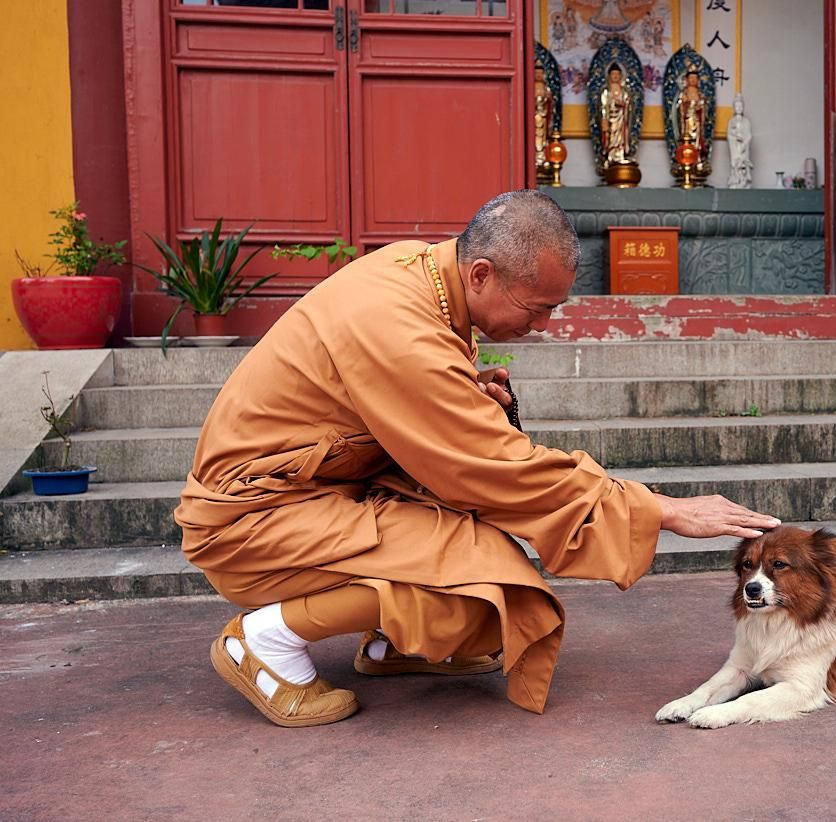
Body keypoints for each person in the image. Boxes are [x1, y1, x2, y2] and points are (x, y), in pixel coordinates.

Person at [177, 190, 780, 727]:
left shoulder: (426, 277)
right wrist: (658, 509)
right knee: (489, 583)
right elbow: (497, 469)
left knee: (486, 582)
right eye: (537, 307)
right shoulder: (398, 322)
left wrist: (461, 391)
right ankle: (266, 641)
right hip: (252, 519)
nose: (543, 325)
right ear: (483, 274)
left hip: (318, 494)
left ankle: (395, 644)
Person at [599, 64, 631, 166]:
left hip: (621, 118)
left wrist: (624, 105)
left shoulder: (624, 91)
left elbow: (628, 105)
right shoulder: (606, 92)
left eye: (617, 74)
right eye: (613, 74)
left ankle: (620, 154)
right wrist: (604, 119)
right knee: (610, 136)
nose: (615, 76)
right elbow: (603, 106)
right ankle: (610, 155)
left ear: (621, 76)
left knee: (620, 137)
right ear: (609, 76)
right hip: (610, 118)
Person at [674, 67, 708, 163]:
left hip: (697, 121)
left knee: (697, 140)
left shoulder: (700, 94)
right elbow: (679, 109)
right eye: (691, 78)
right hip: (687, 121)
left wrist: (700, 106)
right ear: (686, 80)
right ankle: (685, 158)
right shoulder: (684, 93)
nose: (693, 80)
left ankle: (697, 157)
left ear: (698, 80)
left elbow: (704, 107)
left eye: (695, 78)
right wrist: (684, 104)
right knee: (687, 140)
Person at [727, 93, 753, 189]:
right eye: (737, 106)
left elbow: (749, 135)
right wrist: (735, 137)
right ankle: (735, 180)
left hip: (743, 147)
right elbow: (729, 134)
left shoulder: (746, 121)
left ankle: (744, 180)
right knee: (735, 163)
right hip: (735, 146)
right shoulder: (731, 121)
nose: (739, 108)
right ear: (734, 108)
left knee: (743, 163)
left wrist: (744, 144)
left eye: (741, 106)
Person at [533, 64, 555, 170]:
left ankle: (543, 158)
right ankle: (534, 158)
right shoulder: (529, 88)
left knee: (543, 139)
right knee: (533, 138)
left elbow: (551, 106)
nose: (538, 75)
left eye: (540, 73)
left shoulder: (547, 89)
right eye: (536, 73)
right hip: (533, 119)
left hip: (544, 118)